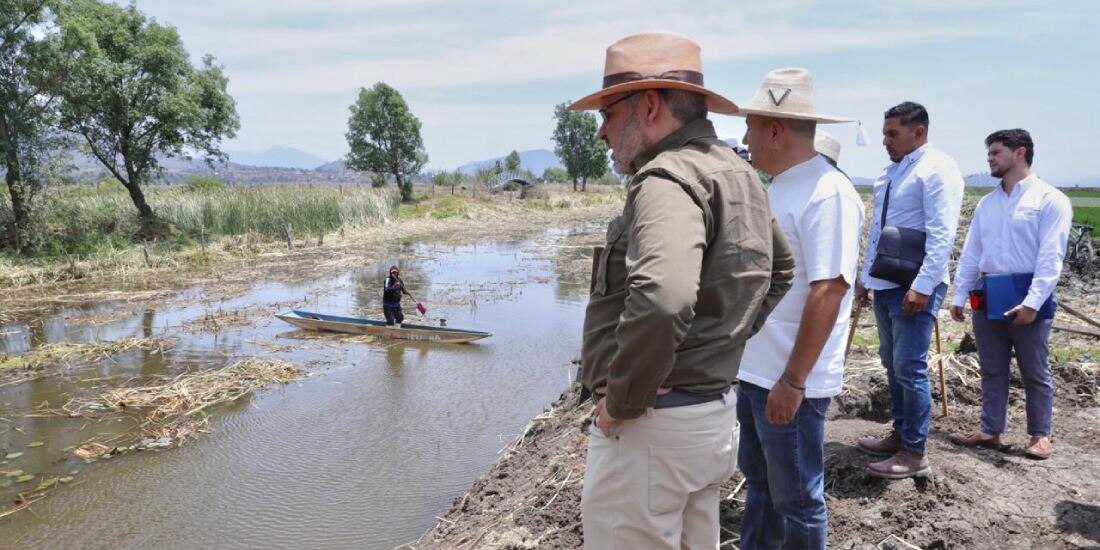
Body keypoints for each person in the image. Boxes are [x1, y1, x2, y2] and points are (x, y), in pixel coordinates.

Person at [572, 31, 795, 549]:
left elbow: (663, 298)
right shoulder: (738, 172)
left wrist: (625, 399)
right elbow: (779, 270)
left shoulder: (665, 179)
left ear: (648, 106)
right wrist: (713, 349)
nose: (602, 133)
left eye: (607, 113)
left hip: (653, 432)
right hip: (707, 418)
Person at [736, 68, 864, 549]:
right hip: (758, 370)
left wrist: (793, 381)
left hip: (789, 380)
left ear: (775, 128)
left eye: (751, 127)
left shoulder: (827, 192)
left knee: (797, 499)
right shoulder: (781, 185)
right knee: (763, 487)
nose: (746, 138)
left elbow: (828, 291)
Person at [855, 102, 965, 479]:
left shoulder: (937, 170)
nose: (885, 141)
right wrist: (865, 278)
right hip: (886, 281)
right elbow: (878, 229)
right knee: (891, 362)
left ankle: (915, 452)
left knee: (910, 367)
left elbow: (942, 235)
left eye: (892, 134)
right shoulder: (891, 172)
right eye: (885, 133)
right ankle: (899, 434)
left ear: (918, 132)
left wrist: (922, 287)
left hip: (914, 286)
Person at [948, 129, 1071, 460]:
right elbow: (972, 251)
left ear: (1020, 153)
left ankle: (1040, 435)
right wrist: (960, 294)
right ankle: (990, 431)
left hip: (1028, 292)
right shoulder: (987, 204)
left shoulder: (1050, 200)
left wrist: (1032, 303)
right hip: (988, 291)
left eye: (996, 152)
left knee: (1034, 369)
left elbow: (1050, 258)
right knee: (992, 367)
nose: (989, 158)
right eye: (988, 152)